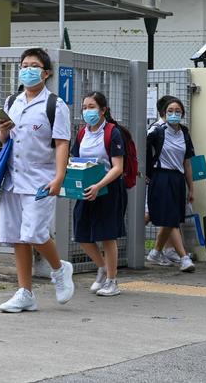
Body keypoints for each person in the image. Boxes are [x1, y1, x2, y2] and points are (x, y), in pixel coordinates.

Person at [0, 48, 74, 313]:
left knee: (34, 233)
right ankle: (25, 292)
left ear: (46, 72)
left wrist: (59, 177)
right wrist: (2, 133)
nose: (27, 69)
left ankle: (59, 268)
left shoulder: (55, 105)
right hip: (13, 179)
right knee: (18, 237)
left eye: (34, 65)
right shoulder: (12, 102)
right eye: (24, 65)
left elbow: (62, 143)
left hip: (41, 179)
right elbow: (6, 142)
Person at [72, 92, 128, 296]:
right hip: (86, 189)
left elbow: (118, 167)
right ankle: (103, 267)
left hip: (108, 189)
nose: (88, 111)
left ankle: (112, 281)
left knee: (107, 236)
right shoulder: (81, 133)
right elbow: (75, 158)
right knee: (81, 233)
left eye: (92, 107)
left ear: (103, 110)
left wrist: (98, 186)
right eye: (85, 107)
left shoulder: (113, 133)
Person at [145, 98, 196, 273]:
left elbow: (187, 162)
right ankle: (184, 257)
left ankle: (156, 251)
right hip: (161, 176)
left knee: (172, 218)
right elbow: (143, 150)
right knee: (171, 218)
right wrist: (146, 173)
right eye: (170, 111)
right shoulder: (157, 131)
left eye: (178, 111)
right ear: (164, 113)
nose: (174, 114)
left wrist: (191, 187)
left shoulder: (184, 133)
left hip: (177, 179)